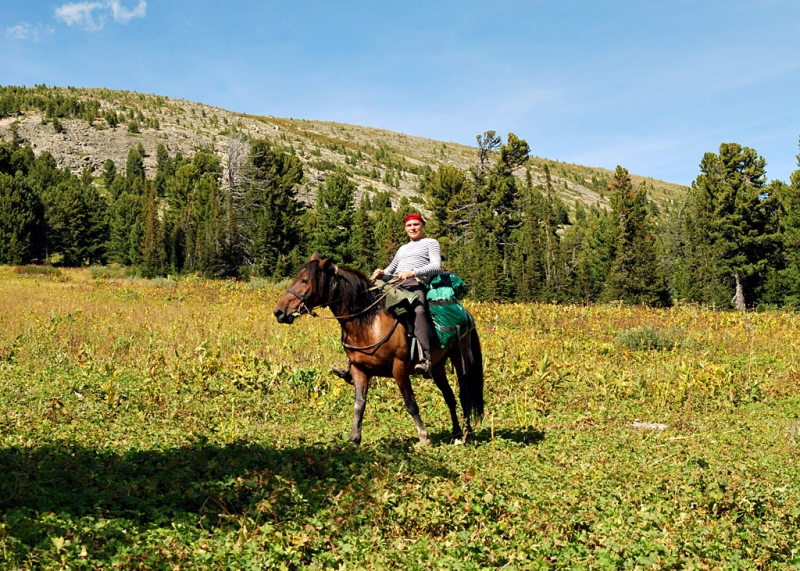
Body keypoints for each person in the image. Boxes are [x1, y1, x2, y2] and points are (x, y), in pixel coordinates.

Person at [370, 212, 440, 375]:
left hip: (415, 284)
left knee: (419, 310)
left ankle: (426, 359)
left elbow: (436, 266)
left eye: (416, 224)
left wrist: (413, 272)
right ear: (405, 228)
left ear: (422, 226)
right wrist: (381, 273)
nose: (412, 228)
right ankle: (356, 358)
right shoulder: (402, 249)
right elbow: (390, 271)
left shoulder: (430, 243)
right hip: (393, 284)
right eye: (409, 225)